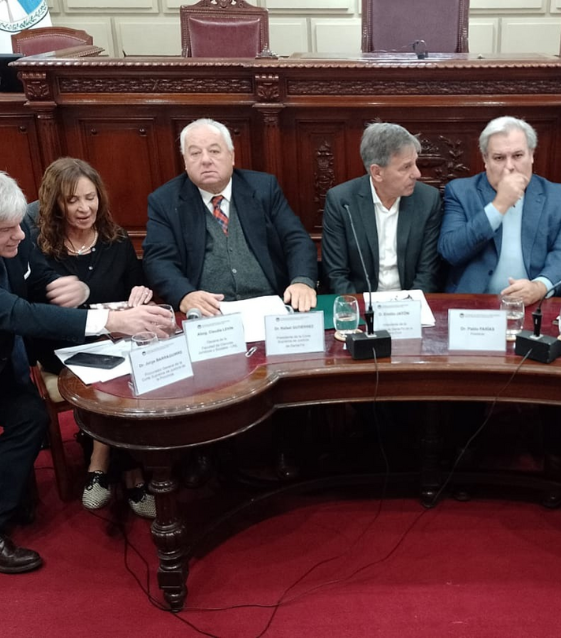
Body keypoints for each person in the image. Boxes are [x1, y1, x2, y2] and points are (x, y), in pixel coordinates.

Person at [0, 166, 170, 574]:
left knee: (31, 417)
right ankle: (0, 493)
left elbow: (36, 276)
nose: (19, 235)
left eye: (19, 225)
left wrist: (76, 287)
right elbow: (17, 313)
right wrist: (112, 321)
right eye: (6, 230)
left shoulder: (10, 232)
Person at [30, 158, 160, 519]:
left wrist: (139, 295)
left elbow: (136, 287)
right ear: (56, 203)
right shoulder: (41, 249)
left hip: (114, 339)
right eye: (72, 200)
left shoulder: (115, 240)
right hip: (63, 345)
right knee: (120, 375)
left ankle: (99, 458)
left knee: (140, 362)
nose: (84, 208)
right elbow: (41, 314)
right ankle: (133, 477)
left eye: (90, 197)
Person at [143, 118, 318, 315]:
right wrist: (184, 295)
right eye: (195, 153)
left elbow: (296, 240)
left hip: (270, 305)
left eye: (214, 151)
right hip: (208, 313)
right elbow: (158, 260)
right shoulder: (165, 201)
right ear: (185, 161)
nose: (206, 160)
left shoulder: (263, 188)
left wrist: (302, 281)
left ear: (231, 156)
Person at [438, 116, 561, 304]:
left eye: (518, 156)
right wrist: (499, 205)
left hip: (534, 304)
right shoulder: (461, 192)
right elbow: (451, 252)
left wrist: (540, 287)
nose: (509, 167)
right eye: (499, 158)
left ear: (531, 155)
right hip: (473, 304)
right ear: (485, 159)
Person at [322, 122, 443, 294]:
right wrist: (357, 307)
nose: (417, 174)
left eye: (415, 163)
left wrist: (411, 305)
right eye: (406, 167)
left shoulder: (428, 199)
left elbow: (428, 273)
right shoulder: (342, 202)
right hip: (361, 301)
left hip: (411, 301)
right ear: (377, 172)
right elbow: (336, 274)